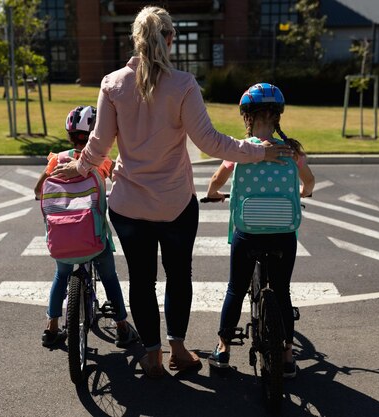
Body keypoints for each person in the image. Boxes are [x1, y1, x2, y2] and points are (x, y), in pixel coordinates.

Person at [51, 7, 294, 379]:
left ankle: (152, 356)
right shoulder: (183, 84)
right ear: (169, 39)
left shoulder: (113, 83)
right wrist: (260, 151)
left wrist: (80, 167)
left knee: (142, 280)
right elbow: (211, 142)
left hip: (129, 206)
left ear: (136, 39)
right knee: (179, 277)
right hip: (176, 205)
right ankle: (178, 348)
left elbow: (98, 144)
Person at [205, 83, 315, 378]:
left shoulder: (242, 151)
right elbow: (310, 182)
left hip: (248, 230)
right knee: (282, 291)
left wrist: (214, 192)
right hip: (283, 231)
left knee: (235, 288)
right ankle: (288, 355)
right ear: (277, 116)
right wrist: (303, 192)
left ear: (247, 118)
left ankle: (223, 348)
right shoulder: (291, 151)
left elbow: (218, 178)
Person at [34, 105, 139, 350]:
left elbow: (39, 191)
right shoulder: (101, 162)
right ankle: (122, 327)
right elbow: (121, 183)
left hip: (62, 239)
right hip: (94, 238)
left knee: (61, 275)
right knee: (109, 277)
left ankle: (51, 328)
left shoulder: (57, 160)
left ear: (69, 135)